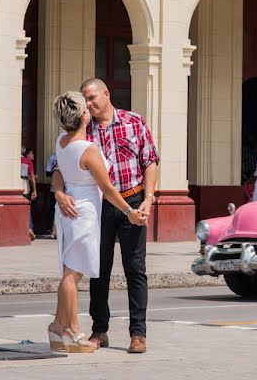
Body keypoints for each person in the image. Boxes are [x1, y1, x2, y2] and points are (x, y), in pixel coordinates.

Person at [52, 78, 159, 354]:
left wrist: (148, 198)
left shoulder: (134, 121)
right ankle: (100, 330)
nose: (88, 103)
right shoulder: (83, 132)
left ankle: (138, 334)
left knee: (135, 268)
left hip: (133, 200)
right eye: (84, 99)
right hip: (101, 205)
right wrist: (59, 192)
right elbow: (60, 168)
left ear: (106, 94)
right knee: (98, 269)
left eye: (92, 97)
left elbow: (150, 161)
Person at [21, 147, 38, 241]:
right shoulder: (28, 161)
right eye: (32, 153)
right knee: (27, 207)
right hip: (25, 187)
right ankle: (29, 228)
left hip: (15, 186)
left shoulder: (15, 160)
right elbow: (31, 176)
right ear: (27, 154)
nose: (33, 155)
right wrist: (34, 190)